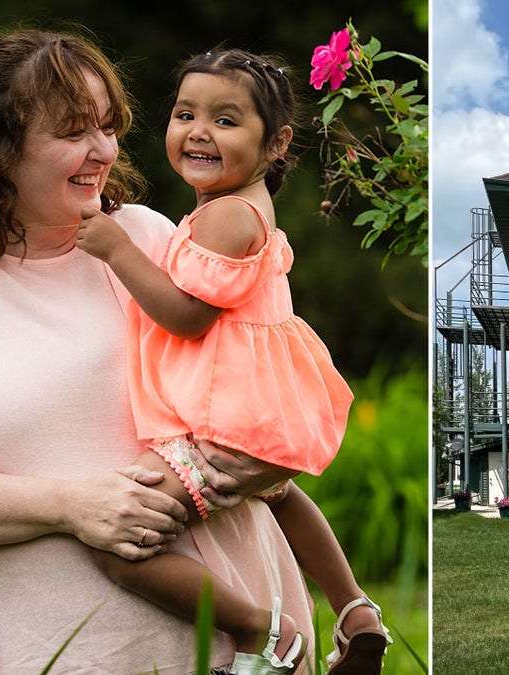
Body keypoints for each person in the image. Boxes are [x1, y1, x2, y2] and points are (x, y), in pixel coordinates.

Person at [0, 28, 306, 674]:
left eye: (107, 126)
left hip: (213, 654)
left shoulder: (147, 238)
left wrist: (253, 462)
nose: (103, 151)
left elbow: (254, 377)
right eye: (73, 132)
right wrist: (72, 506)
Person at [75, 48, 391, 674]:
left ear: (276, 143)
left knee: (120, 545)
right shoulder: (246, 211)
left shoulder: (223, 217)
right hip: (260, 416)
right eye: (185, 112)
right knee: (280, 496)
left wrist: (118, 250)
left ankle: (262, 633)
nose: (198, 131)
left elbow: (189, 315)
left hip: (225, 424)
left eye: (225, 120)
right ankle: (354, 608)